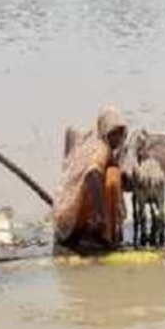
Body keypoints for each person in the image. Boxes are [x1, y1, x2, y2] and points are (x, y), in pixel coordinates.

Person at [52, 105, 128, 252]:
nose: (119, 138)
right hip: (72, 221)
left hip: (63, 213)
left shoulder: (91, 141)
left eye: (121, 133)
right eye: (115, 133)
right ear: (106, 131)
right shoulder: (102, 149)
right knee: (112, 177)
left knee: (111, 172)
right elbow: (92, 174)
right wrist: (100, 216)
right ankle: (96, 233)